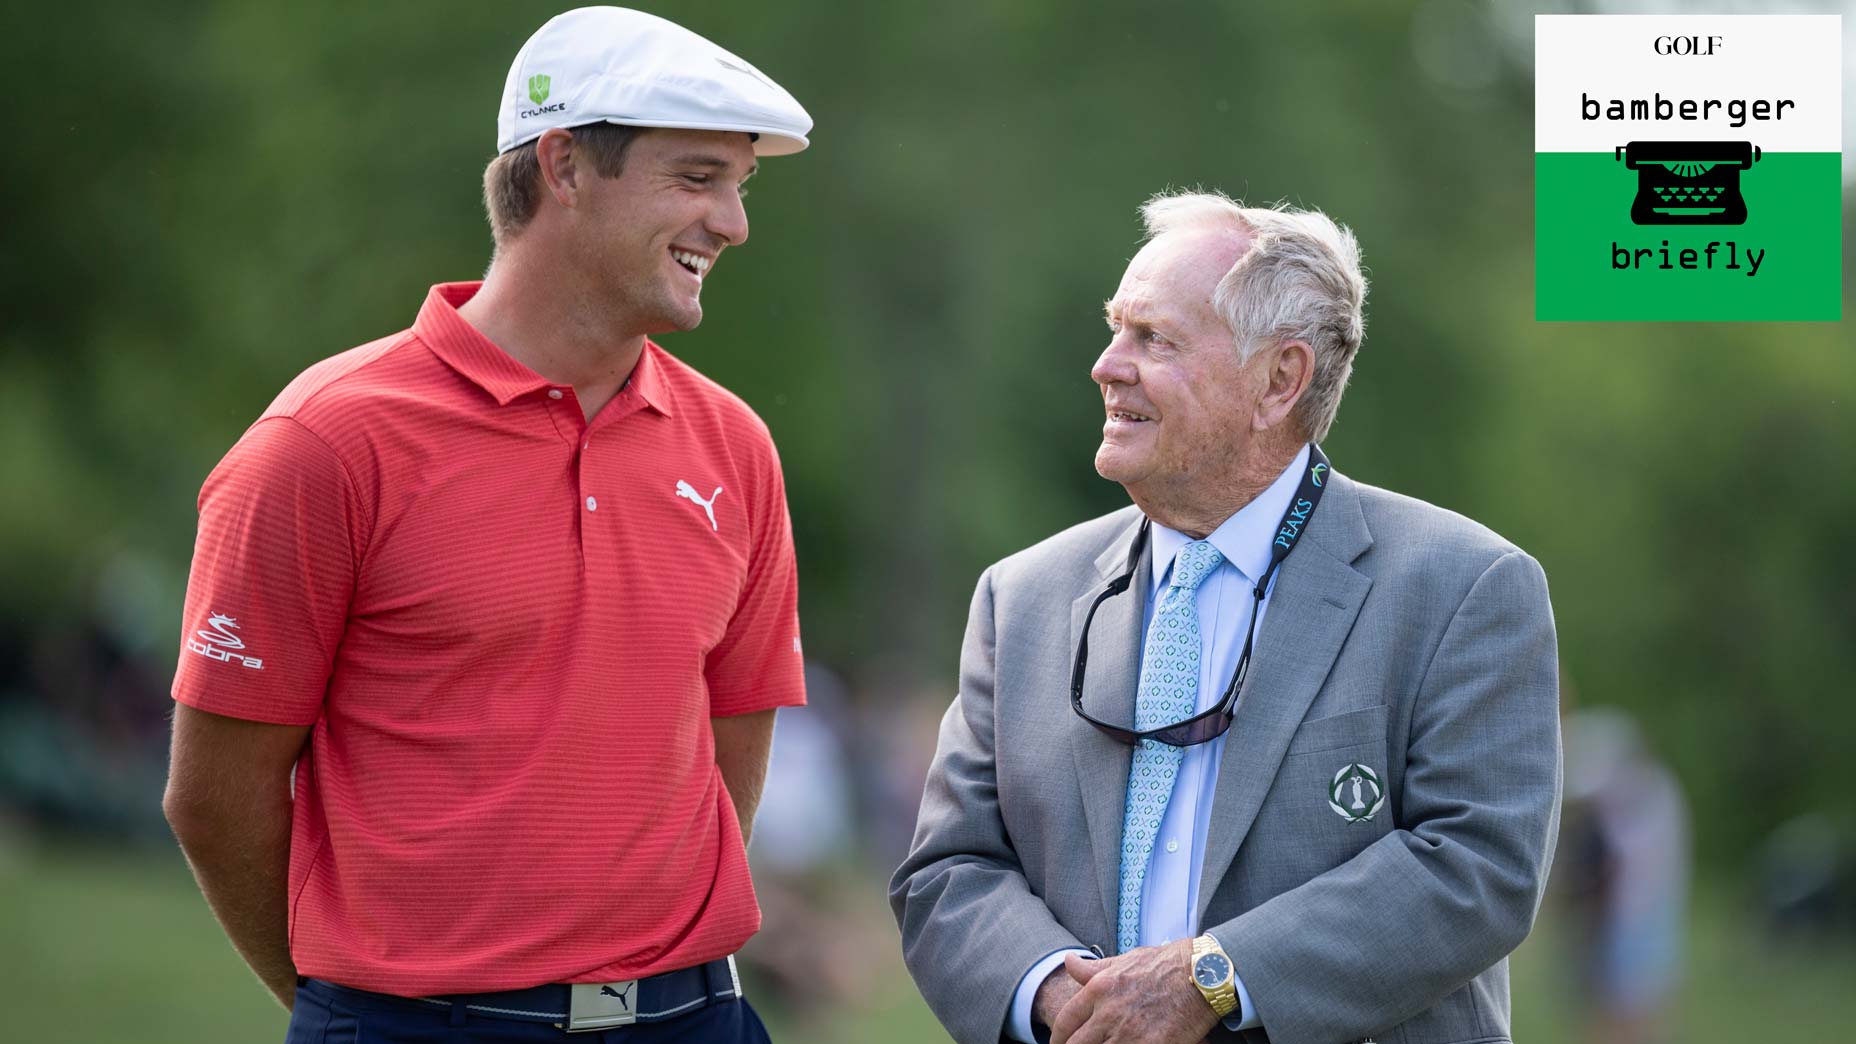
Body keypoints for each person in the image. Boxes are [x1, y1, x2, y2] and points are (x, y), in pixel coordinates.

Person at [161, 8, 811, 1041]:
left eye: (739, 186)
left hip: (694, 1016)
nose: (731, 223)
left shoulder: (735, 448)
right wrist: (358, 1005)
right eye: (697, 179)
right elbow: (216, 797)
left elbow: (731, 754)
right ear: (564, 165)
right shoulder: (325, 443)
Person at [891, 191, 1561, 1044]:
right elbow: (950, 869)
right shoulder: (1021, 598)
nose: (1106, 365)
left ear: (1279, 381)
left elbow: (1477, 868)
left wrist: (1212, 979)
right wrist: (1065, 998)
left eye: (1154, 339)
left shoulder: (1462, 587)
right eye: (1115, 328)